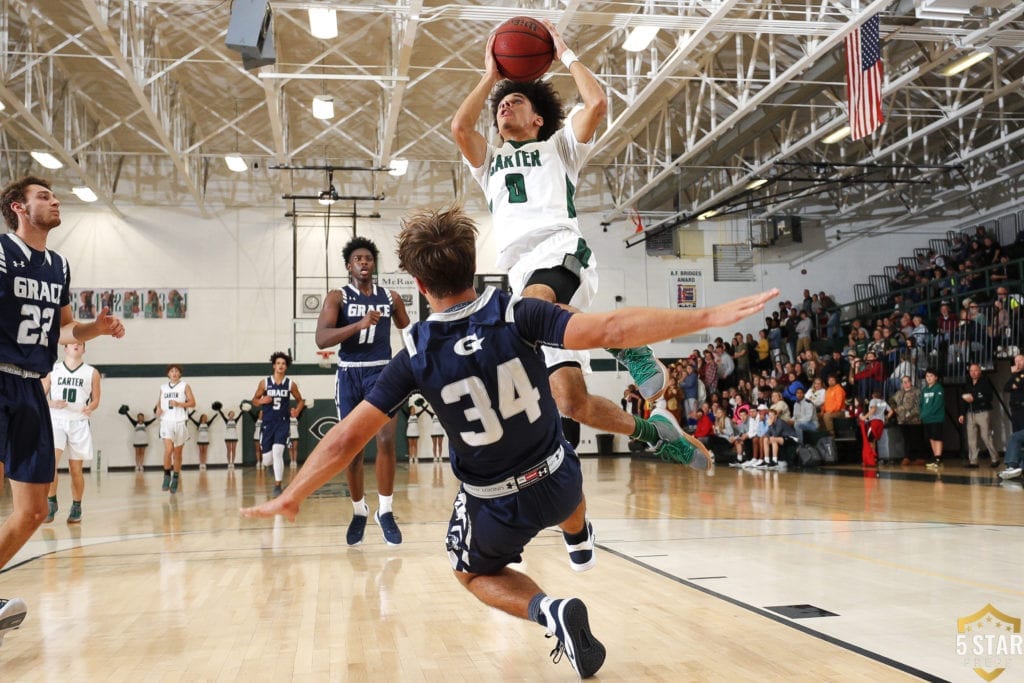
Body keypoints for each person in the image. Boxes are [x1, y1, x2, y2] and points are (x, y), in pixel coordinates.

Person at [242, 206, 776, 679]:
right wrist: (706, 317)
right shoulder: (519, 312)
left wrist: (294, 494)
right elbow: (612, 326)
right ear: (475, 266)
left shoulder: (416, 355)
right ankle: (579, 533)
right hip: (559, 478)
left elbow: (343, 440)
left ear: (418, 285)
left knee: (470, 572)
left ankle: (551, 613)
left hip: (494, 501)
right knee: (567, 440)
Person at [451, 19, 677, 460]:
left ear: (537, 118)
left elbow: (596, 102)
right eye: (502, 104)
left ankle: (626, 344)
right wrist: (490, 77)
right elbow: (461, 127)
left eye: (516, 101)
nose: (504, 106)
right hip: (521, 272)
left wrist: (565, 53)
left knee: (535, 303)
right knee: (571, 401)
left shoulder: (559, 147)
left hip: (560, 251)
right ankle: (652, 432)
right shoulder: (489, 162)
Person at [0, 176, 125, 646]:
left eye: (54, 196)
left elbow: (65, 331)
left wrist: (97, 326)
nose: (54, 201)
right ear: (18, 207)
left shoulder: (58, 265)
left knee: (32, 512)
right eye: (43, 197)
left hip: (32, 385)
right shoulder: (1, 252)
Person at [315, 237, 410, 546]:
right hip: (350, 375)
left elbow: (408, 334)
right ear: (349, 266)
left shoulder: (391, 297)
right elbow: (322, 339)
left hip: (383, 372)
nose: (364, 262)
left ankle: (385, 510)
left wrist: (420, 365)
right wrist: (358, 325)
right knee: (352, 450)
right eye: (358, 259)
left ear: (374, 264)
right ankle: (359, 511)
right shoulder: (337, 297)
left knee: (385, 440)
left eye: (368, 258)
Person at [41, 342, 100, 523]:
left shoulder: (92, 372)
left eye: (80, 344)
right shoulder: (52, 369)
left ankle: (76, 506)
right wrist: (52, 404)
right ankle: (51, 502)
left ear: (84, 349)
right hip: (56, 420)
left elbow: (96, 399)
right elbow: (39, 396)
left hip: (79, 423)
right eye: (72, 343)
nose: (76, 345)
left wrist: (90, 407)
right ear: (65, 348)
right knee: (51, 463)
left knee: (76, 470)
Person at [252, 352, 305, 497]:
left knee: (278, 453)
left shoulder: (290, 383)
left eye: (283, 363)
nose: (281, 366)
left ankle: (277, 485)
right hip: (268, 424)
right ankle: (270, 466)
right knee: (268, 459)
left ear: (286, 367)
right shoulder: (264, 382)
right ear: (274, 365)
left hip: (283, 423)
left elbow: (301, 400)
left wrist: (297, 410)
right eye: (278, 363)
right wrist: (262, 401)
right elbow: (254, 400)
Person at [156, 364, 195, 494]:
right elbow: (159, 402)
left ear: (180, 374)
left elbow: (192, 403)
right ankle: (167, 475)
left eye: (176, 371)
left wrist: (179, 404)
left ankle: (176, 477)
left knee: (177, 453)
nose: (174, 373)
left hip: (180, 421)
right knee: (168, 450)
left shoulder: (185, 385)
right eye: (171, 371)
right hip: (166, 422)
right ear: (168, 374)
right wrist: (158, 408)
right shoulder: (163, 387)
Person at [958, 363, 999, 468]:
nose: (973, 373)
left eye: (975, 370)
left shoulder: (985, 381)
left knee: (986, 436)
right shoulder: (967, 383)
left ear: (980, 371)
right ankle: (973, 461)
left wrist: (974, 399)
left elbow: (989, 397)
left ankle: (995, 459)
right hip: (970, 413)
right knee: (971, 438)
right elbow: (964, 401)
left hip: (983, 412)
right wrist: (962, 414)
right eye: (971, 371)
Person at [998, 354, 1024, 481]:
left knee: (1017, 436)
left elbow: (1019, 385)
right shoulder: (1016, 375)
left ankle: (1016, 466)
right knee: (1016, 436)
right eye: (1016, 361)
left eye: (1020, 360)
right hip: (1016, 409)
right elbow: (1007, 387)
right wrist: (1014, 377)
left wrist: (1016, 381)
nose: (1017, 363)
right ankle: (1014, 466)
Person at [920, 369, 946, 469]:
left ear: (936, 377)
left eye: (931, 376)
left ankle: (939, 459)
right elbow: (921, 404)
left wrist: (926, 413)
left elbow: (937, 404)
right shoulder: (925, 390)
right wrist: (922, 414)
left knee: (937, 437)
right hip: (927, 419)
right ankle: (935, 458)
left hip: (936, 418)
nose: (929, 378)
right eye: (927, 376)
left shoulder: (938, 388)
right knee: (931, 438)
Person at [215, 404, 240, 469]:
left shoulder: (235, 420)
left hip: (234, 437)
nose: (232, 415)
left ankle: (233, 463)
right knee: (229, 450)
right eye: (230, 414)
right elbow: (222, 415)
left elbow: (240, 415)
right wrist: (219, 409)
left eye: (233, 414)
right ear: (228, 415)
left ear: (234, 415)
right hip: (228, 437)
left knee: (233, 450)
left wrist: (244, 409)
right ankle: (229, 463)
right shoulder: (226, 420)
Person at [405, 393, 426, 462]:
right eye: (412, 409)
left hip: (416, 432)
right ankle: (411, 457)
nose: (413, 410)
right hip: (409, 432)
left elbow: (423, 410)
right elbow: (402, 410)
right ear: (410, 410)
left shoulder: (417, 415)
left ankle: (415, 457)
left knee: (415, 445)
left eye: (414, 409)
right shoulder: (408, 416)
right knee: (410, 445)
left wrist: (424, 404)